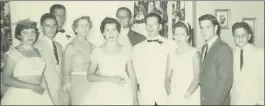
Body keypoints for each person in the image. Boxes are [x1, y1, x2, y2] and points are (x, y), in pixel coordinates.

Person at [80, 17, 138, 105]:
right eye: (107, 30)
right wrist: (111, 79)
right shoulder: (97, 51)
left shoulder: (126, 50)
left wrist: (135, 96)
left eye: (114, 30)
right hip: (102, 91)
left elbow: (132, 74)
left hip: (123, 89)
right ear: (103, 33)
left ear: (118, 32)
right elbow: (89, 76)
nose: (111, 33)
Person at [1, 19, 53, 105]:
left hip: (39, 96)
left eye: (33, 32)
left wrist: (50, 100)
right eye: (25, 32)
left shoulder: (38, 51)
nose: (30, 36)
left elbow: (42, 77)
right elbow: (6, 80)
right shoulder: (13, 53)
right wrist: (32, 87)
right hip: (20, 96)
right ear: (19, 35)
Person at [132, 13, 176, 105]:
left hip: (165, 96)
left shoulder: (171, 46)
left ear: (160, 27)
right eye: (148, 25)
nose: (150, 28)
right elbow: (135, 73)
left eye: (154, 25)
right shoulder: (136, 48)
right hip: (145, 97)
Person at [199, 14, 233, 105]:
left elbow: (225, 82)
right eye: (201, 28)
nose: (204, 31)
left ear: (216, 28)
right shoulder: (204, 48)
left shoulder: (223, 48)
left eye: (208, 27)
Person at [34, 13, 67, 105]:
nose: (52, 29)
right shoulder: (36, 46)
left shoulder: (59, 46)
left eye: (54, 25)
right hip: (45, 92)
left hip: (60, 92)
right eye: (48, 26)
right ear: (41, 28)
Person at [165, 21, 201, 105]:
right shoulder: (171, 54)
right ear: (173, 36)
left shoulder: (194, 52)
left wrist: (186, 96)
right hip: (174, 95)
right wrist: (170, 95)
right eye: (176, 34)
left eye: (182, 34)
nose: (178, 37)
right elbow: (167, 78)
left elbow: (197, 79)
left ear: (188, 36)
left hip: (190, 95)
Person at [230, 22, 264, 105]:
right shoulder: (232, 54)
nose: (240, 38)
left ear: (249, 36)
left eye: (243, 35)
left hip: (253, 101)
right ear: (233, 37)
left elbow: (263, 79)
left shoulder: (259, 53)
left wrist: (260, 101)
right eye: (237, 35)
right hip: (236, 101)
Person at [62, 16, 94, 105]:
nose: (85, 28)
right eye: (81, 25)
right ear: (75, 29)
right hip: (76, 83)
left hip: (90, 83)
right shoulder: (70, 46)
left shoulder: (93, 46)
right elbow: (65, 70)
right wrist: (68, 87)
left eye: (87, 25)